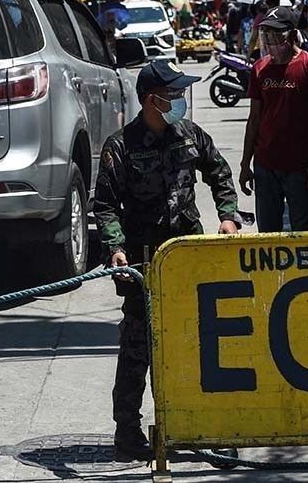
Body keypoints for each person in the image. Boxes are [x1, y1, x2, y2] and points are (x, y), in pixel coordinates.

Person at [93, 60, 241, 461]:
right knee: (138, 349)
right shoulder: (120, 146)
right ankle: (128, 433)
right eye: (172, 95)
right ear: (151, 100)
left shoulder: (190, 134)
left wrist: (228, 215)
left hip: (188, 259)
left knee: (195, 344)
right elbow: (104, 206)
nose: (179, 101)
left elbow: (219, 172)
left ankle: (197, 425)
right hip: (142, 262)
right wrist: (115, 247)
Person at [239, 7, 308, 232]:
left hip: (301, 168)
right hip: (265, 164)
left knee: (302, 232)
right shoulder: (260, 69)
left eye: (276, 34)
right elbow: (254, 119)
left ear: (291, 34)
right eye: (266, 34)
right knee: (268, 233)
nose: (270, 40)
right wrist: (245, 163)